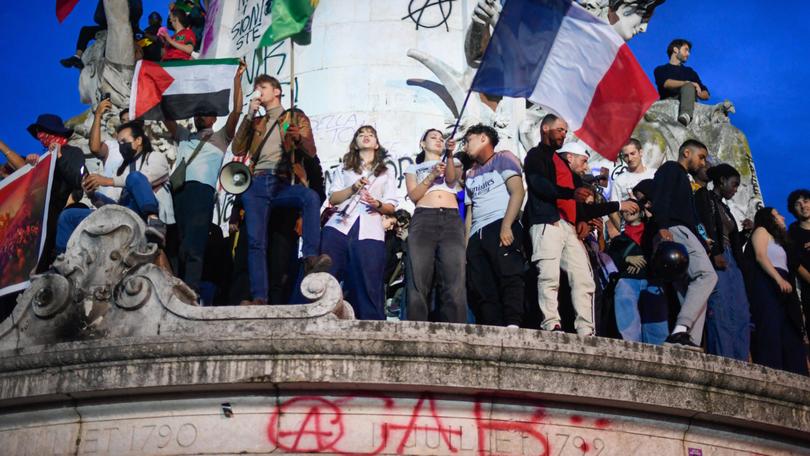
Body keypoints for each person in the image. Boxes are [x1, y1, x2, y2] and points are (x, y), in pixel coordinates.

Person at [524, 115, 636, 335]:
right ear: (544, 128)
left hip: (568, 228)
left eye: (565, 131)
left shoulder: (565, 167)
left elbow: (582, 207)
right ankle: (551, 323)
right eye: (559, 130)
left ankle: (586, 328)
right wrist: (570, 194)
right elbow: (538, 184)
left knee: (584, 278)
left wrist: (616, 205)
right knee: (549, 274)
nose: (564, 134)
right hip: (548, 222)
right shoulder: (536, 156)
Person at [232, 74, 331, 306]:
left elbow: (311, 150)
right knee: (256, 243)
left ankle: (310, 256)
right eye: (257, 88)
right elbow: (238, 147)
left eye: (263, 87)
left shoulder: (293, 117)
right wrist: (249, 115)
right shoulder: (257, 122)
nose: (259, 91)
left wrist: (298, 139)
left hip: (283, 181)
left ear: (277, 91)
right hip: (256, 182)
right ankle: (259, 297)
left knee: (309, 197)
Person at [163, 63, 244, 299]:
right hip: (177, 192)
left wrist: (237, 80)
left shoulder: (220, 138)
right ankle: (173, 287)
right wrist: (161, 85)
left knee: (194, 245)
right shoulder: (184, 135)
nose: (201, 116)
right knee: (176, 242)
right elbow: (167, 116)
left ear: (213, 118)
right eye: (198, 112)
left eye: (206, 113)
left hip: (201, 192)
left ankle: (191, 290)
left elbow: (236, 112)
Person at [321, 126, 400, 320]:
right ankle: (320, 315)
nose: (366, 137)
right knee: (327, 275)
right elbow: (334, 198)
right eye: (361, 134)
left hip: (370, 229)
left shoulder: (386, 172)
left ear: (377, 144)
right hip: (339, 226)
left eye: (371, 134)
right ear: (355, 143)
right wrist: (353, 188)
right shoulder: (344, 168)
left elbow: (391, 205)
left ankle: (371, 325)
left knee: (368, 280)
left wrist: (378, 204)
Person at [55, 121, 167, 253]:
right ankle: (64, 257)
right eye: (119, 143)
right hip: (121, 214)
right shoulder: (120, 170)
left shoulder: (154, 157)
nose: (121, 147)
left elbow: (145, 179)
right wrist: (93, 195)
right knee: (68, 216)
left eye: (124, 141)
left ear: (138, 140)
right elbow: (112, 204)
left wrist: (108, 181)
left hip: (140, 211)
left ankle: (155, 223)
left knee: (135, 177)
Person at [650, 139, 718, 349]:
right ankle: (680, 330)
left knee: (692, 289)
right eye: (701, 157)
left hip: (683, 232)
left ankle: (688, 342)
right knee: (707, 276)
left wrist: (701, 239)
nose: (703, 163)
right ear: (687, 152)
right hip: (676, 230)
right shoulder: (671, 169)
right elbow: (661, 197)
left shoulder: (684, 179)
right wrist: (662, 227)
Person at [0, 114, 85, 271]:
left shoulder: (72, 152)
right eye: (38, 133)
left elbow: (77, 180)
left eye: (43, 131)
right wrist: (32, 166)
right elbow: (29, 177)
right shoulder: (44, 159)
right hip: (41, 221)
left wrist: (59, 157)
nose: (40, 136)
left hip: (62, 214)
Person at [463, 124, 525, 328]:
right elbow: (470, 212)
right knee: (482, 285)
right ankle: (492, 326)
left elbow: (518, 191)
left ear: (483, 138)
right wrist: (467, 244)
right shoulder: (470, 173)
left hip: (499, 222)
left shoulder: (503, 158)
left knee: (509, 275)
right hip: (476, 233)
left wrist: (507, 225)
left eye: (468, 140)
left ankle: (513, 323)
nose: (465, 146)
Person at [403, 129, 465, 323]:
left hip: (451, 219)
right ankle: (417, 326)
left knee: (453, 277)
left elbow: (451, 179)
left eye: (441, 138)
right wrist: (430, 176)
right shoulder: (413, 168)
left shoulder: (453, 162)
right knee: (419, 277)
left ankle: (455, 329)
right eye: (433, 137)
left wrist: (449, 155)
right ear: (422, 143)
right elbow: (414, 195)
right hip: (423, 218)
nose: (438, 140)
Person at [695, 164, 750, 361]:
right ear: (721, 181)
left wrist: (745, 233)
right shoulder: (704, 197)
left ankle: (740, 360)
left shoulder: (725, 207)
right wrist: (715, 251)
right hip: (717, 258)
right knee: (721, 310)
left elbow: (730, 238)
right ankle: (724, 360)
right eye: (734, 184)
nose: (735, 190)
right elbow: (703, 225)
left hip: (732, 261)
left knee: (740, 311)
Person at [747, 207, 808, 375]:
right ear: (770, 218)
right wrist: (778, 279)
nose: (782, 217)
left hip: (784, 286)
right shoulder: (761, 231)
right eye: (777, 214)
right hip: (769, 282)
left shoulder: (781, 241)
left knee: (789, 330)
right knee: (770, 327)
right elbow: (760, 256)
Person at [607, 200, 668, 345]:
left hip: (651, 278)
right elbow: (611, 258)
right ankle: (631, 343)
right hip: (628, 277)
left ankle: (658, 348)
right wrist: (626, 258)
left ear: (641, 212)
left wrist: (644, 258)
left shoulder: (653, 231)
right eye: (625, 209)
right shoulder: (618, 238)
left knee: (656, 319)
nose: (628, 211)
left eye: (633, 207)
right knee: (625, 303)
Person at [60, 0, 144, 70]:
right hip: (109, 27)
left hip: (130, 28)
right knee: (85, 30)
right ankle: (77, 57)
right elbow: (97, 18)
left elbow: (137, 12)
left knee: (147, 43)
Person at [654, 39, 710, 126]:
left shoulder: (690, 71)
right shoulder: (661, 69)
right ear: (676, 50)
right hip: (670, 100)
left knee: (689, 86)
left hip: (690, 102)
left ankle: (686, 116)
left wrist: (698, 93)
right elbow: (666, 83)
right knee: (688, 85)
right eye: (686, 50)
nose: (688, 54)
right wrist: (687, 83)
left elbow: (706, 93)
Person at [608, 138, 657, 237]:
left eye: (633, 153)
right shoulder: (619, 181)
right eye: (626, 156)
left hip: (656, 227)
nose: (630, 158)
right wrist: (622, 230)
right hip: (633, 232)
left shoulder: (655, 174)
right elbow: (613, 210)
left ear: (641, 152)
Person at [787, 189, 810, 341]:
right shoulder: (793, 234)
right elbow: (794, 262)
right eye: (798, 204)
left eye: (806, 201)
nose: (803, 206)